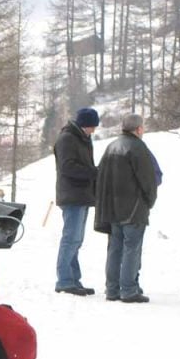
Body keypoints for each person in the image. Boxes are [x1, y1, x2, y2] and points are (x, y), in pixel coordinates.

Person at [94, 114, 158, 303]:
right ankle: (129, 290)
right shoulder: (137, 147)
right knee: (132, 248)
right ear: (138, 129)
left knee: (115, 248)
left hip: (113, 208)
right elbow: (148, 179)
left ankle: (112, 289)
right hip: (133, 207)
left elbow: (101, 177)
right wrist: (150, 201)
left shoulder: (111, 146)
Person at [53, 106, 100, 296]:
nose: (94, 130)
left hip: (81, 195)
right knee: (70, 239)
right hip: (72, 195)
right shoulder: (67, 139)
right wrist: (93, 173)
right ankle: (64, 280)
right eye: (92, 126)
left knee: (76, 240)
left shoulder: (83, 139)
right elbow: (68, 167)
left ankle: (74, 279)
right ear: (85, 125)